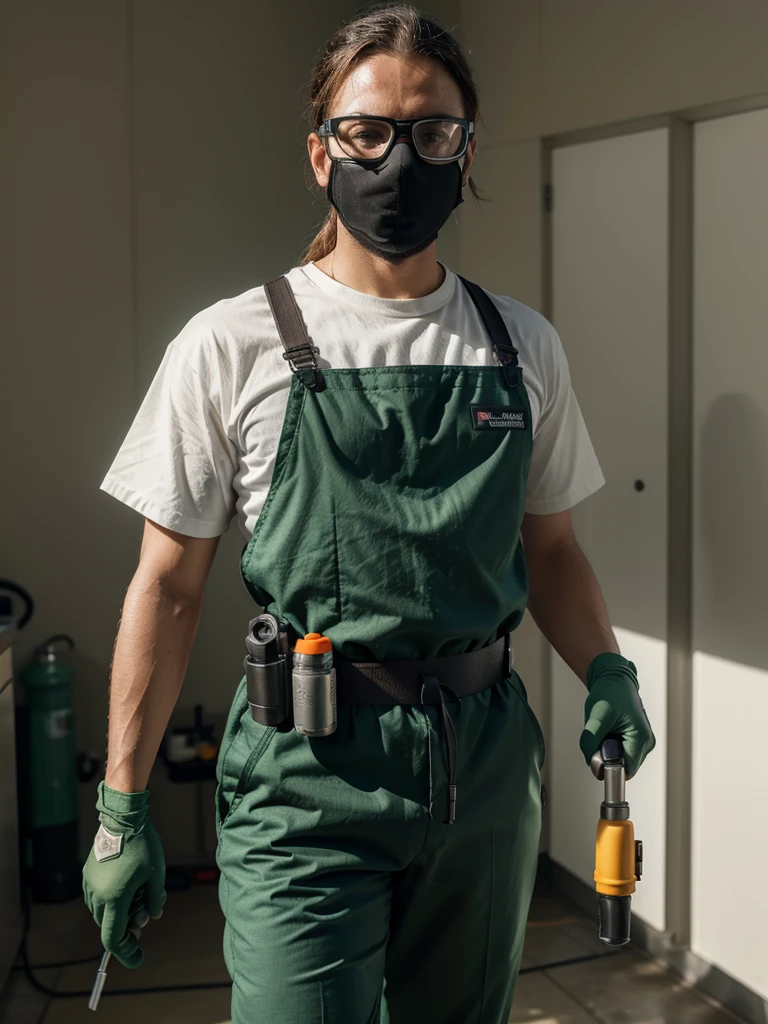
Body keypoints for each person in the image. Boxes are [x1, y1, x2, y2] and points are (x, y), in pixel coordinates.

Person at [82, 5, 656, 1023]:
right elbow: (166, 588)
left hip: (482, 770)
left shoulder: (520, 347)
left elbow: (553, 548)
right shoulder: (231, 345)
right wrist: (123, 806)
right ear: (320, 152)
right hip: (307, 779)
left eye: (432, 131)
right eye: (368, 132)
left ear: (466, 150)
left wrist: (607, 667)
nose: (401, 157)